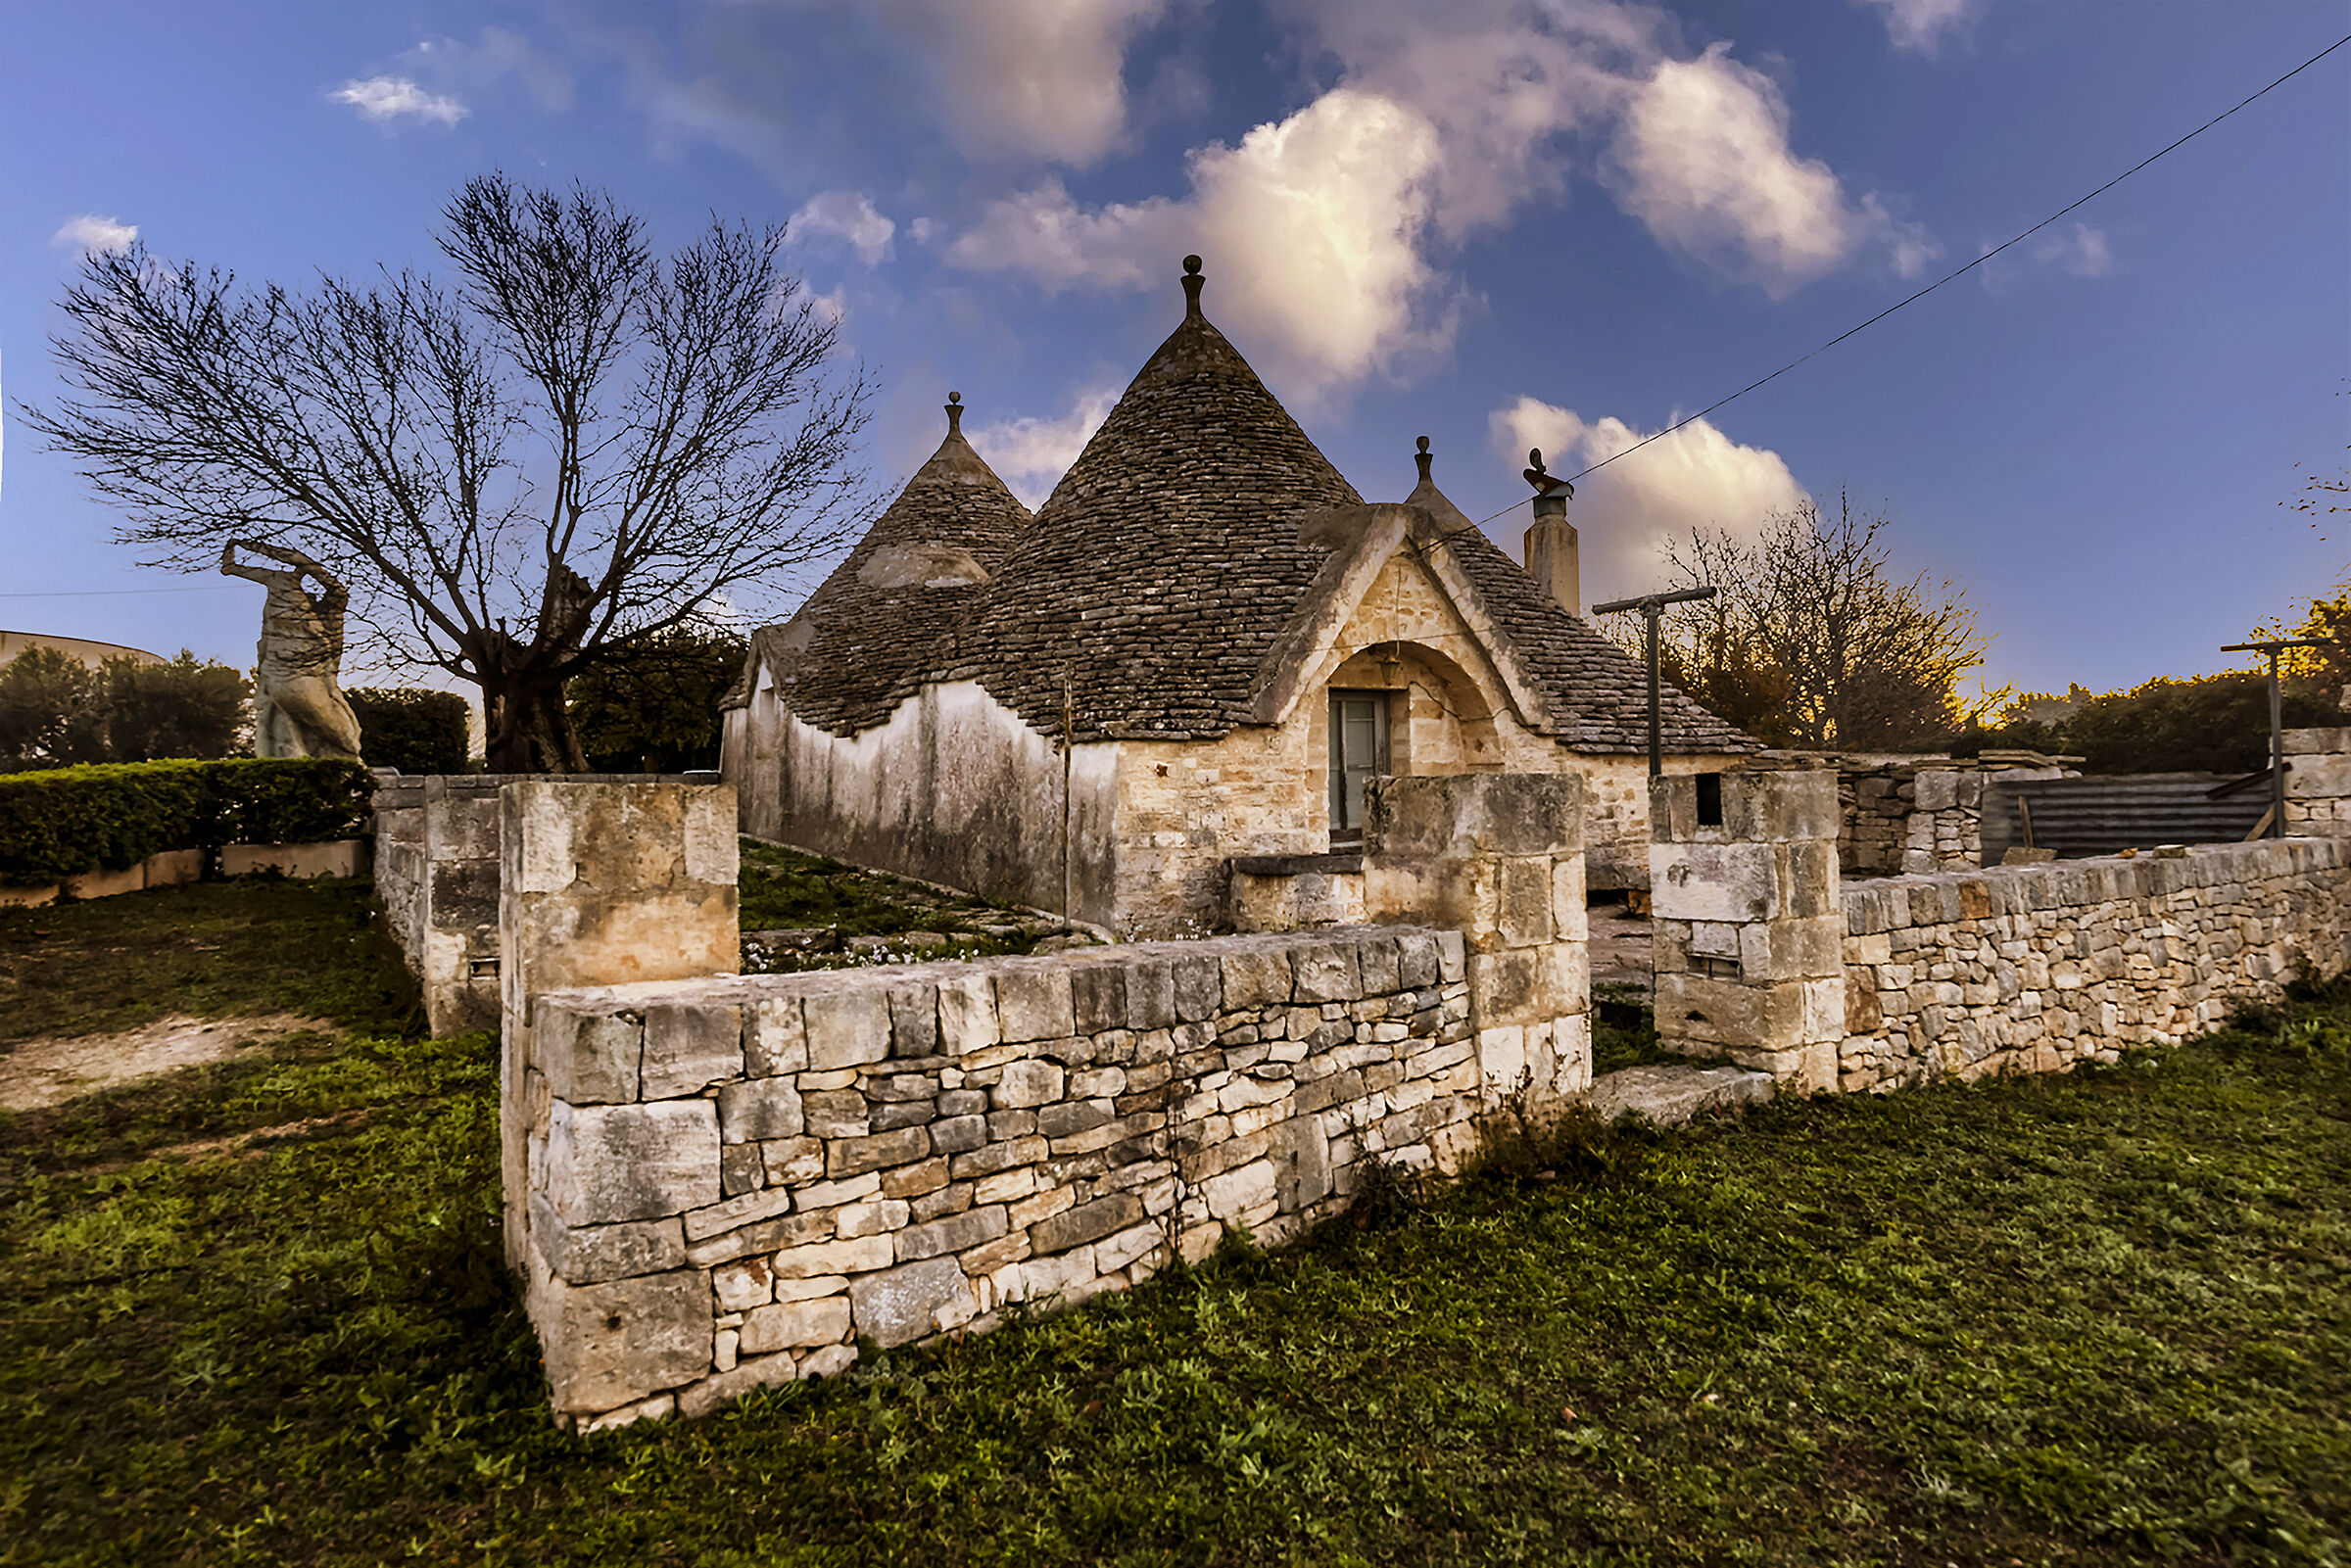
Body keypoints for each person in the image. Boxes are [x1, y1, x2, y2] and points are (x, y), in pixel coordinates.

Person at [219, 539, 362, 759]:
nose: (312, 596)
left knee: (333, 734)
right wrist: (306, 565)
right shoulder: (288, 594)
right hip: (294, 677)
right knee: (338, 737)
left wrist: (246, 548)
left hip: (295, 677)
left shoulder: (321, 609)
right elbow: (230, 569)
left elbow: (230, 569)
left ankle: (334, 760)